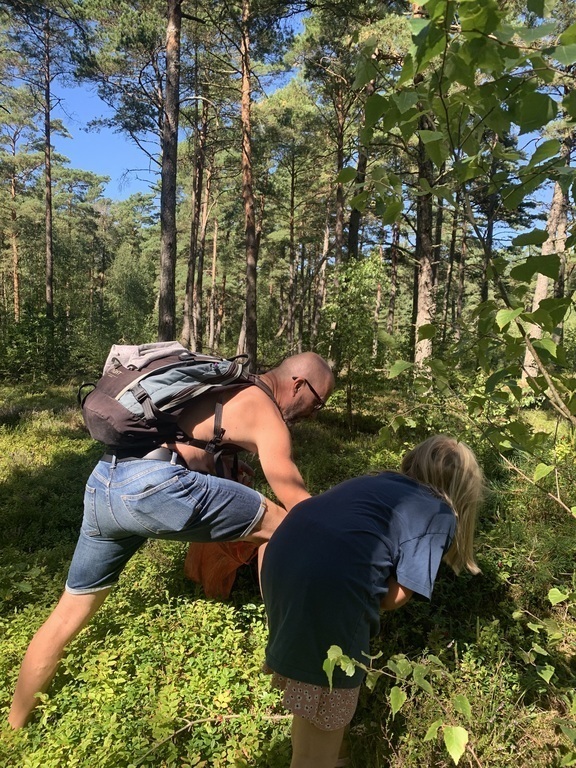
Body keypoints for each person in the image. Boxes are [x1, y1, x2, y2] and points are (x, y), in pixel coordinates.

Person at [8, 351, 334, 729]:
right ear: (298, 385)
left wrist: (223, 468)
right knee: (284, 526)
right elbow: (297, 503)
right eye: (318, 402)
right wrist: (346, 534)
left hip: (105, 483)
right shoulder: (265, 412)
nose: (315, 413)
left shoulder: (223, 386)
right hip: (153, 489)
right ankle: (290, 654)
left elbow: (181, 442)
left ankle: (14, 726)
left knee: (67, 615)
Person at [260, 435, 484, 768]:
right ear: (464, 491)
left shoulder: (376, 481)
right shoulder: (439, 513)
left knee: (315, 688)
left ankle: (331, 754)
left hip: (280, 558)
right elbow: (395, 597)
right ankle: (318, 758)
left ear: (411, 461)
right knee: (325, 701)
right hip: (330, 586)